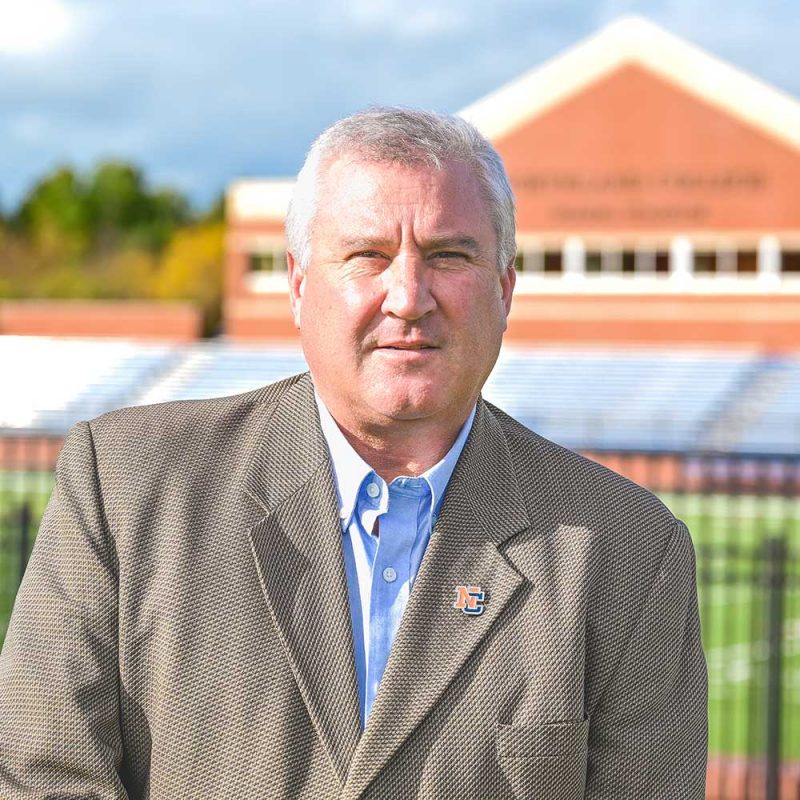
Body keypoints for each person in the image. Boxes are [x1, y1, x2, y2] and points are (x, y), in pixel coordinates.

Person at [0, 108, 707, 799]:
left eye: (448, 255)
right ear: (300, 285)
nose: (407, 297)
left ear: (504, 287)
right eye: (368, 255)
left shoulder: (627, 552)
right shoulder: (127, 484)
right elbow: (42, 770)